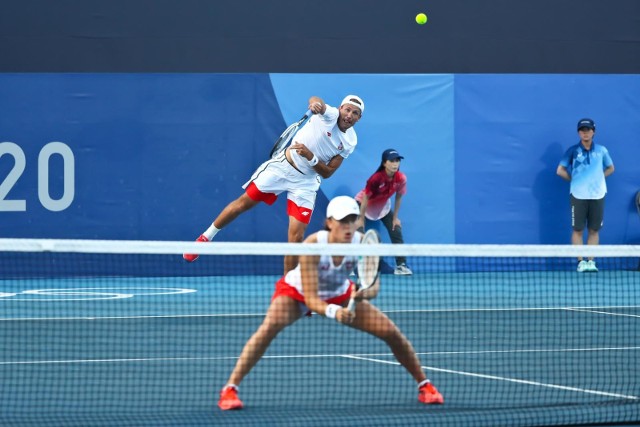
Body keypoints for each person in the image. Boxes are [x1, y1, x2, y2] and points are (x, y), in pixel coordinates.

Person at [217, 195, 444, 410]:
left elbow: (373, 286)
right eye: (342, 221)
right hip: (299, 291)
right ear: (329, 222)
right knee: (268, 328)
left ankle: (425, 385)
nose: (348, 226)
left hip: (340, 291)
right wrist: (335, 312)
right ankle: (230, 389)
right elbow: (311, 299)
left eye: (352, 220)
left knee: (391, 332)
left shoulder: (363, 244)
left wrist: (364, 294)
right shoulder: (313, 245)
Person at [184, 95, 365, 274]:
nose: (349, 115)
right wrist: (315, 104)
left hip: (306, 183)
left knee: (296, 238)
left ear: (359, 118)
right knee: (242, 204)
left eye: (355, 113)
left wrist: (311, 157)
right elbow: (316, 100)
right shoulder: (330, 114)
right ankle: (204, 238)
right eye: (347, 109)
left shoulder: (350, 141)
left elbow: (328, 173)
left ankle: (287, 287)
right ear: (340, 109)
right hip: (282, 168)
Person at [556, 118, 614, 272]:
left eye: (588, 129)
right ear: (578, 132)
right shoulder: (572, 151)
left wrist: (597, 179)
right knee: (578, 230)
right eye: (582, 130)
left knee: (594, 230)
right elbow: (560, 170)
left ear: (593, 132)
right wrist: (575, 182)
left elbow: (610, 168)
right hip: (578, 195)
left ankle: (591, 262)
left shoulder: (602, 150)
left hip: (598, 195)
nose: (585, 132)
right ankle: (581, 262)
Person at [355, 149, 412, 275]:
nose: (395, 164)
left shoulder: (401, 178)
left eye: (397, 160)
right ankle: (356, 266)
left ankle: (401, 265)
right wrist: (360, 218)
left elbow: (398, 197)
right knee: (358, 233)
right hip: (363, 204)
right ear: (384, 163)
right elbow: (365, 198)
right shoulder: (375, 179)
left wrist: (395, 218)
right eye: (392, 161)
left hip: (382, 207)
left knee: (396, 228)